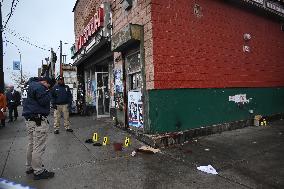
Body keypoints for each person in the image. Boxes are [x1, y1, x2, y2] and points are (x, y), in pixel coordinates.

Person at [22, 77, 55, 180]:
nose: (47, 88)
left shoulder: (28, 86)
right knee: (38, 146)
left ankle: (30, 167)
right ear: (45, 82)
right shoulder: (39, 87)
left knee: (31, 144)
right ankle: (38, 171)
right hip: (38, 121)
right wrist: (49, 91)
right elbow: (44, 101)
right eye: (48, 86)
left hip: (29, 120)